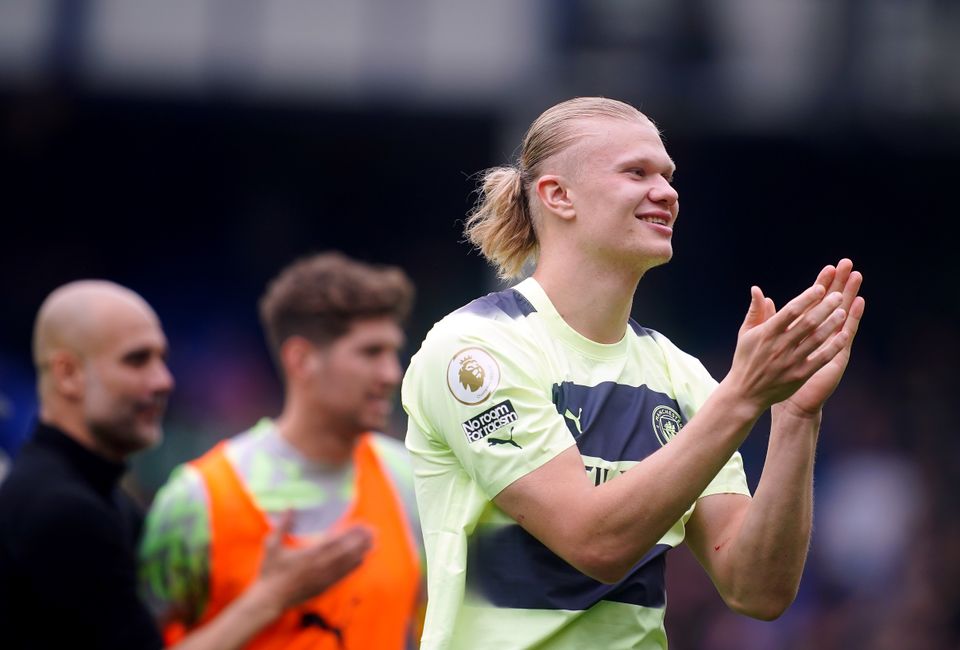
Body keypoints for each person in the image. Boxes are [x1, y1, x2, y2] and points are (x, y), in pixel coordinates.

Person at [401, 97, 865, 649]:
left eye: (669, 176)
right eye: (637, 172)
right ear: (558, 195)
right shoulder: (476, 350)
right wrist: (743, 396)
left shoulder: (680, 374)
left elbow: (756, 590)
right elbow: (593, 543)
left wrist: (794, 414)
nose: (667, 192)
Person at [0, 280, 368, 650]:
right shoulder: (60, 512)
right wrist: (272, 596)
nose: (163, 380)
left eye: (162, 359)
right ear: (68, 374)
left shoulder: (102, 499)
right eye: (137, 360)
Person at [141, 252, 424, 649]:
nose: (392, 373)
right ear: (301, 359)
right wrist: (268, 599)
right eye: (370, 352)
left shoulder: (411, 482)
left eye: (393, 352)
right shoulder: (198, 499)